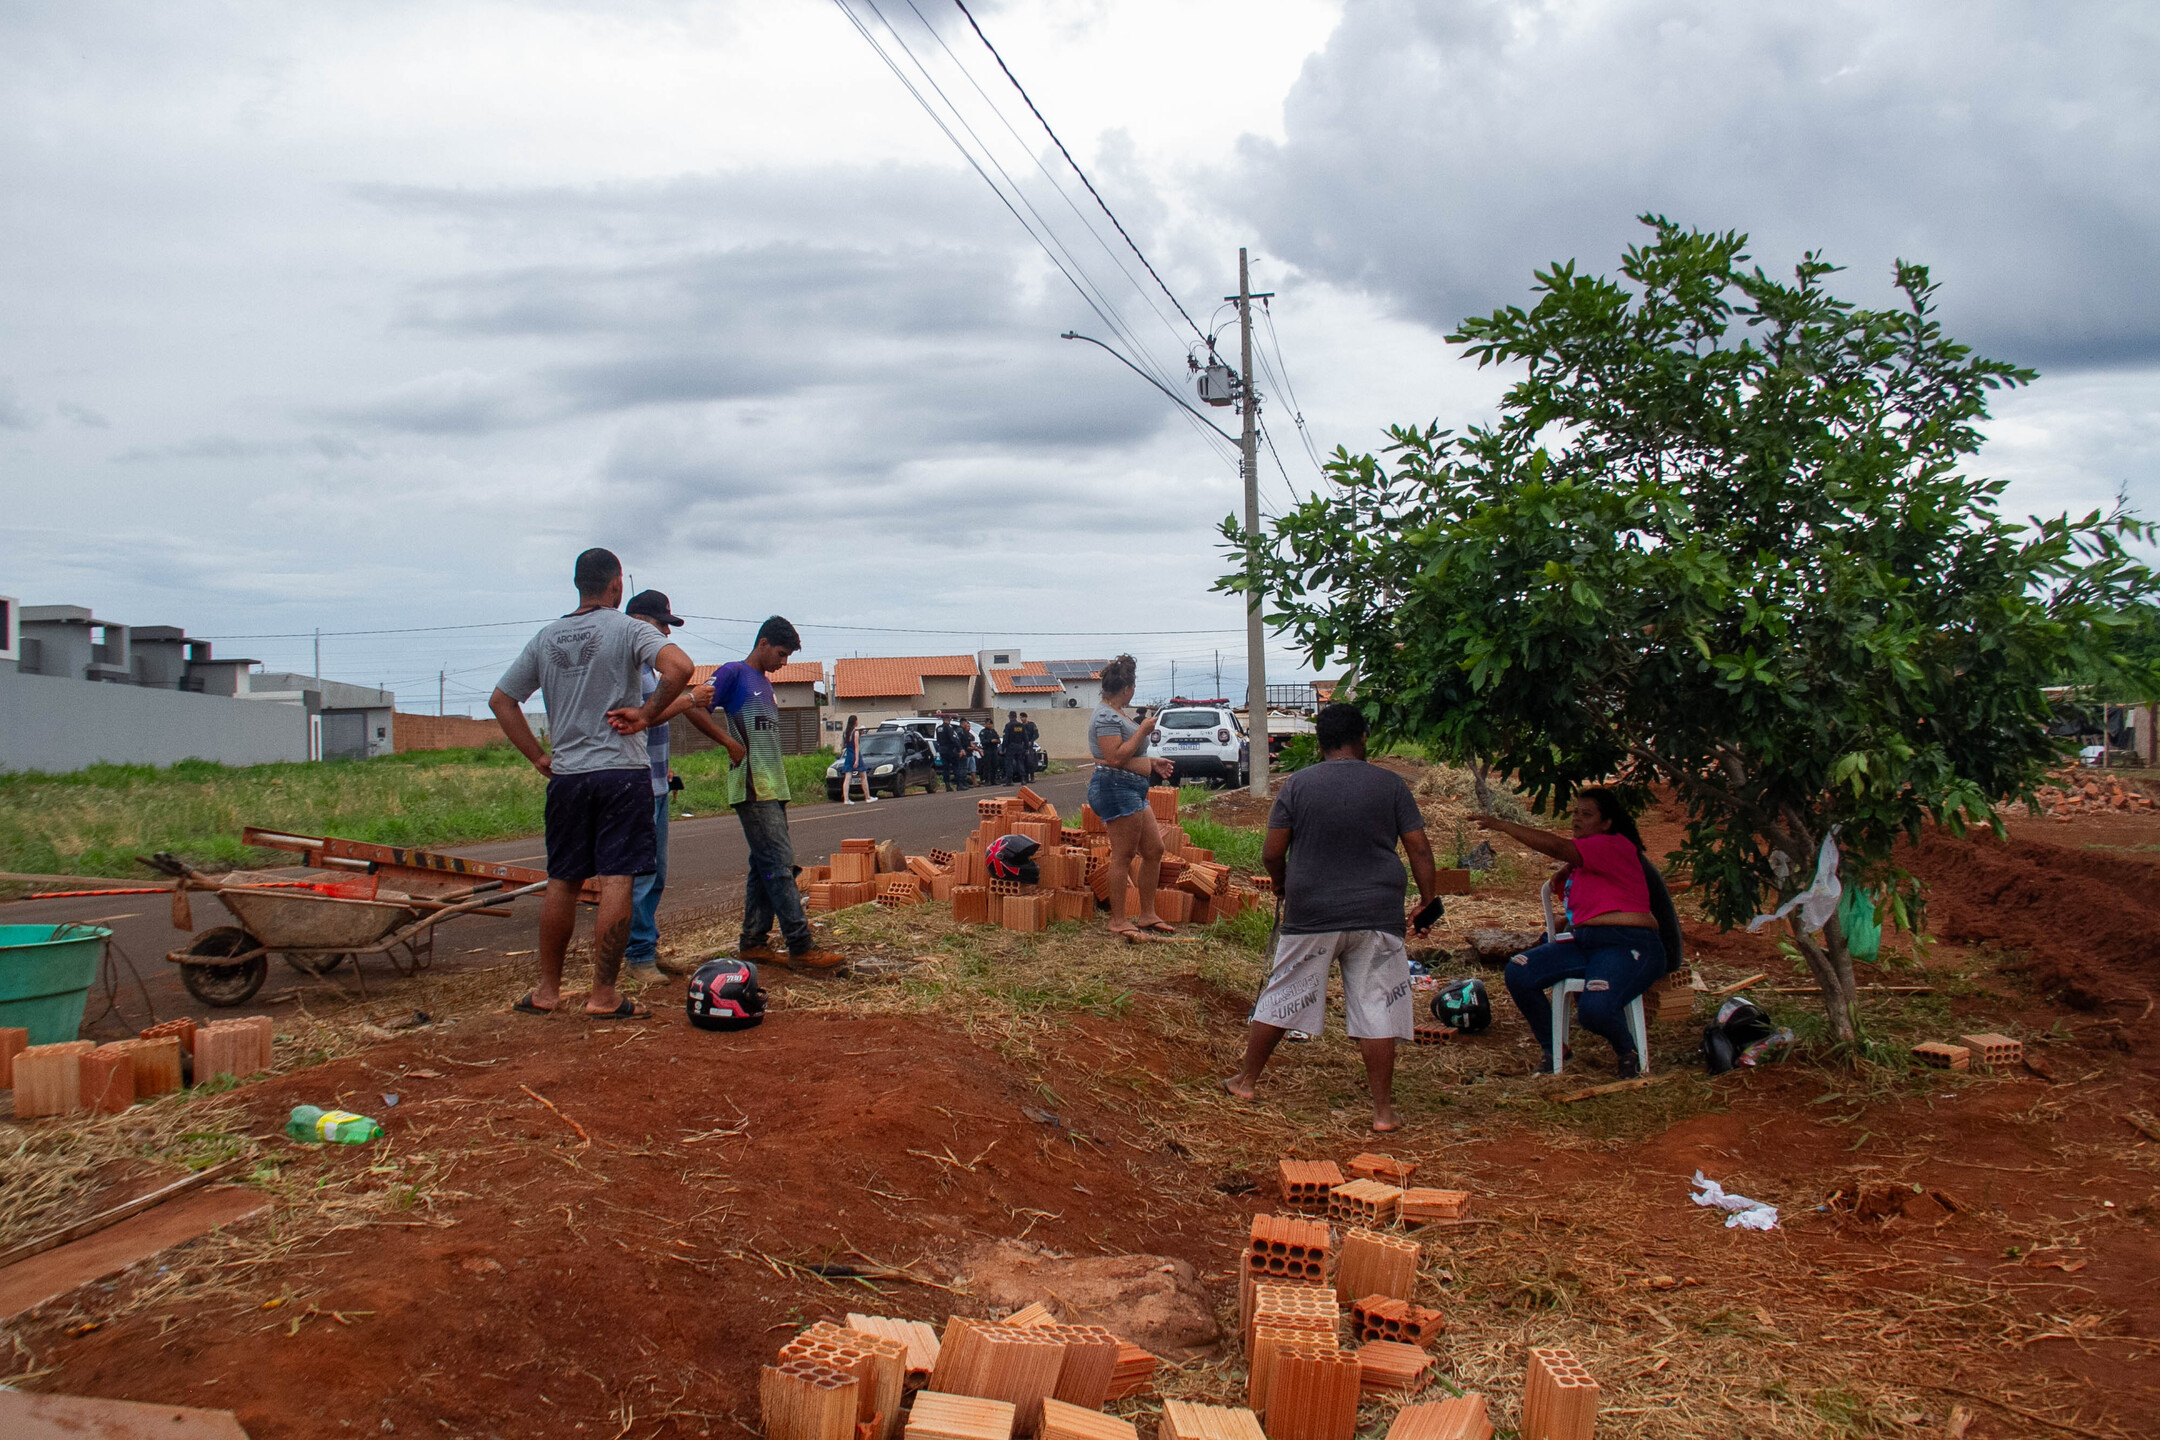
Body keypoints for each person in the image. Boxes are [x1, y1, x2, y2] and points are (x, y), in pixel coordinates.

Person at [489, 548, 692, 1019]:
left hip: (568, 777)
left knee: (562, 881)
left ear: (577, 584)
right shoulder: (627, 628)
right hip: (620, 772)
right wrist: (644, 714)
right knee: (618, 878)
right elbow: (680, 668)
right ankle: (603, 995)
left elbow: (502, 700)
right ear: (617, 585)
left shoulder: (547, 637)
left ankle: (546, 992)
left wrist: (540, 755)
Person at [1222, 703, 1439, 1133]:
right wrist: (1429, 900)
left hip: (1313, 911)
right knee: (1377, 1005)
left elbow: (1271, 852)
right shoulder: (1392, 785)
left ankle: (1246, 1082)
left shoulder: (1297, 785)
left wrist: (1283, 884)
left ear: (1320, 743)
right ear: (1362, 739)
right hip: (1377, 913)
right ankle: (1381, 1113)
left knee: (1283, 993)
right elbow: (1419, 849)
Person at [1475, 789, 1668, 1077]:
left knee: (1594, 1011)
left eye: (1586, 814)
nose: (1577, 819)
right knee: (1519, 971)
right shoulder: (1583, 864)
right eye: (1575, 812)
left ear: (1607, 823)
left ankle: (1627, 1050)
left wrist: (1502, 825)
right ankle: (1554, 1047)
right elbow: (1592, 908)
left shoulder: (1614, 845)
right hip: (1586, 943)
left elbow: (1557, 847)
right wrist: (1566, 917)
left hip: (1625, 942)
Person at [704, 617, 844, 972]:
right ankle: (800, 945)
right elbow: (692, 705)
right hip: (752, 785)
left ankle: (753, 941)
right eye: (781, 655)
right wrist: (728, 743)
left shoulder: (764, 685)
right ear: (762, 643)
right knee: (780, 865)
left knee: (763, 866)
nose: (783, 664)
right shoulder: (732, 673)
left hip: (772, 785)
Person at [622, 589, 738, 979]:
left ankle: (646, 947)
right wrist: (689, 699)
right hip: (637, 785)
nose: (665, 636)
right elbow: (645, 718)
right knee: (640, 875)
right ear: (638, 621)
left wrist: (666, 767)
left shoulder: (647, 669)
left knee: (655, 874)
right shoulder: (630, 668)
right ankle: (637, 956)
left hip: (655, 781)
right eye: (661, 625)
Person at [1087, 655, 1178, 939]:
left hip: (1132, 788)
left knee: (1154, 850)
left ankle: (1147, 914)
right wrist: (1143, 730)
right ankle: (1118, 920)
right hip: (1115, 788)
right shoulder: (1105, 716)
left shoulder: (1118, 713)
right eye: (1134, 685)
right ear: (1127, 688)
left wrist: (1151, 763)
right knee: (1123, 855)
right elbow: (1114, 757)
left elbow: (1129, 756)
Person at [839, 714, 876, 806]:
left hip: (848, 755)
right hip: (855, 755)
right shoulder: (855, 732)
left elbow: (842, 745)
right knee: (863, 776)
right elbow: (856, 747)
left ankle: (846, 799)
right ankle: (867, 797)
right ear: (855, 722)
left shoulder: (845, 733)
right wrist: (856, 760)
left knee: (847, 778)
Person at [936, 714, 966, 790]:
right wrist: (960, 749)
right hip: (950, 750)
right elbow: (953, 739)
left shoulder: (938, 728)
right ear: (949, 720)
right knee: (956, 766)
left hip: (942, 750)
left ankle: (947, 786)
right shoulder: (948, 728)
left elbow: (938, 740)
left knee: (945, 768)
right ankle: (959, 785)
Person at [1003, 711, 1028, 783]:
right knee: (1020, 762)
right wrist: (1026, 747)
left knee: (1009, 763)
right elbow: (1025, 737)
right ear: (1016, 717)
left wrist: (1003, 748)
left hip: (1011, 746)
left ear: (1010, 717)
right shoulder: (1020, 725)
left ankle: (1009, 780)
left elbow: (1006, 738)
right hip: (1020, 746)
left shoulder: (1008, 725)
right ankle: (1023, 778)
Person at [978, 718, 1004, 787]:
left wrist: (996, 741)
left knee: (994, 765)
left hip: (994, 750)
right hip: (987, 750)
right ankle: (987, 780)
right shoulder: (983, 732)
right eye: (987, 724)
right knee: (987, 766)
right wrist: (990, 741)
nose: (989, 725)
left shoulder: (993, 731)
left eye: (990, 724)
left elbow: (998, 739)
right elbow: (983, 741)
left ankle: (993, 780)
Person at [1020, 712, 1041, 782]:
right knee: (1023, 761)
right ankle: (1025, 777)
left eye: (1022, 717)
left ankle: (1032, 776)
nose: (1021, 719)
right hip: (1022, 746)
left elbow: (1036, 734)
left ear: (1026, 717)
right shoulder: (1020, 726)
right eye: (1021, 718)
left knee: (1030, 761)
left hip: (1029, 746)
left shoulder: (1031, 725)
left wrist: (1031, 741)